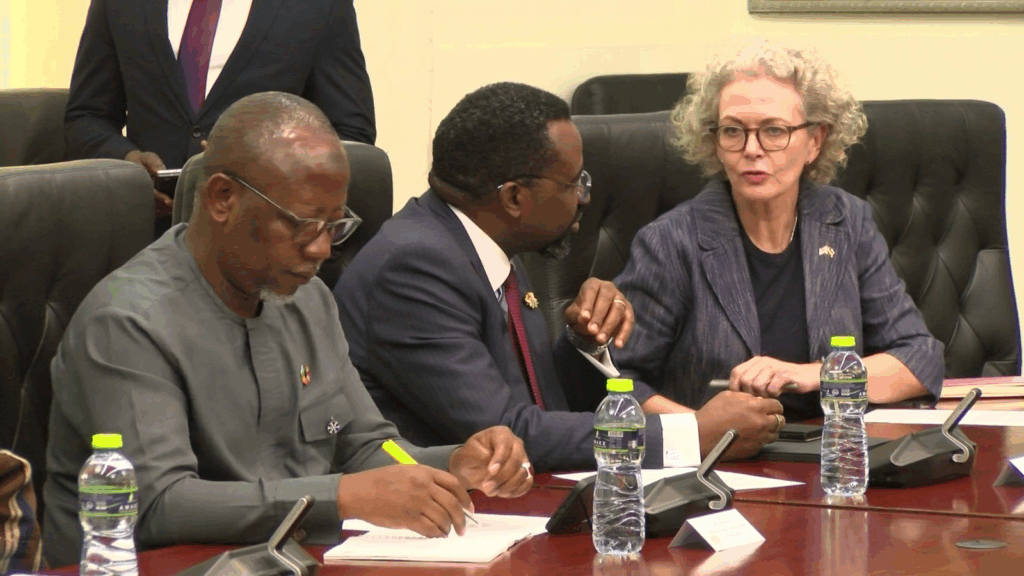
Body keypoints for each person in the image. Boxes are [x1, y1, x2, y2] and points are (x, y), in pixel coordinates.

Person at [43, 92, 530, 568]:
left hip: (296, 559)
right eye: (303, 224)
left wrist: (451, 464)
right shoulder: (128, 322)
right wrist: (341, 496)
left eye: (334, 225)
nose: (322, 249)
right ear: (222, 198)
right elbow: (159, 505)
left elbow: (365, 443)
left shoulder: (307, 298)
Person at [334, 82, 784, 474]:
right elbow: (507, 434)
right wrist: (691, 434)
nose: (584, 197)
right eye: (574, 183)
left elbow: (548, 404)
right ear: (514, 197)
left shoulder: (487, 242)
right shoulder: (414, 269)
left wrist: (583, 342)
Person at [612, 40, 944, 422]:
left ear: (814, 142)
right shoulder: (671, 242)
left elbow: (919, 360)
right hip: (721, 453)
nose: (752, 149)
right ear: (715, 143)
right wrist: (700, 432)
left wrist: (813, 374)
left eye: (773, 131)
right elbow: (618, 381)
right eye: (733, 131)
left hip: (836, 445)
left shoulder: (846, 222)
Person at [64, 0, 376, 230]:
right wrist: (127, 163)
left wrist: (263, 167)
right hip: (143, 239)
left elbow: (351, 131)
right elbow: (87, 116)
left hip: (259, 244)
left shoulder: (320, 7)